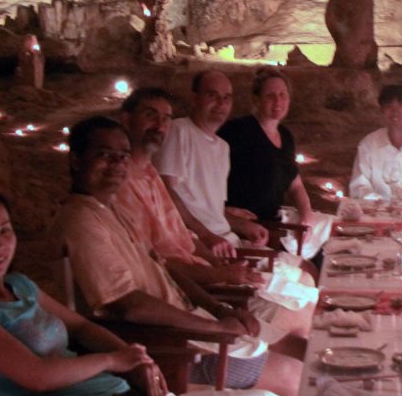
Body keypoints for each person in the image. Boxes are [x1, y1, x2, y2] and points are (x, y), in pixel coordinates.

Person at [0, 186, 294, 396]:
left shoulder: (21, 286)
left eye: (5, 231)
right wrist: (111, 361)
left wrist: (130, 356)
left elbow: (80, 328)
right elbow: (36, 376)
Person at [59, 116, 302, 396]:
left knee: (298, 346)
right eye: (104, 155)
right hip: (168, 346)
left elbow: (165, 267)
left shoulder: (112, 210)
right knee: (294, 374)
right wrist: (213, 327)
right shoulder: (81, 221)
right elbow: (127, 304)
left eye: (122, 156)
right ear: (76, 160)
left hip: (190, 322)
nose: (116, 164)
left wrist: (217, 308)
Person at [113, 86, 315, 353]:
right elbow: (160, 266)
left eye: (165, 119)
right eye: (151, 116)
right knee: (299, 325)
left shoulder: (151, 174)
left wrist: (216, 250)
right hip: (184, 305)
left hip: (205, 277)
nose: (160, 126)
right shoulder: (117, 190)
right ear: (126, 120)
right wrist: (220, 276)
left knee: (307, 299)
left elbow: (183, 235)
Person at [153, 70, 254, 259]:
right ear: (195, 98)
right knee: (302, 276)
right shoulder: (179, 131)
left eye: (226, 97)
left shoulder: (223, 147)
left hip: (227, 240)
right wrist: (205, 236)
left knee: (307, 270)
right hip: (201, 245)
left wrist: (243, 224)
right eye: (212, 95)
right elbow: (165, 194)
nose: (221, 103)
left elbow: (208, 207)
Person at [217, 68, 316, 229]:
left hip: (273, 221)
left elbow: (295, 184)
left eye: (282, 94)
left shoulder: (285, 136)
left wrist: (306, 212)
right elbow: (209, 175)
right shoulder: (237, 131)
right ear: (257, 100)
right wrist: (223, 211)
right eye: (270, 96)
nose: (278, 101)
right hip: (245, 225)